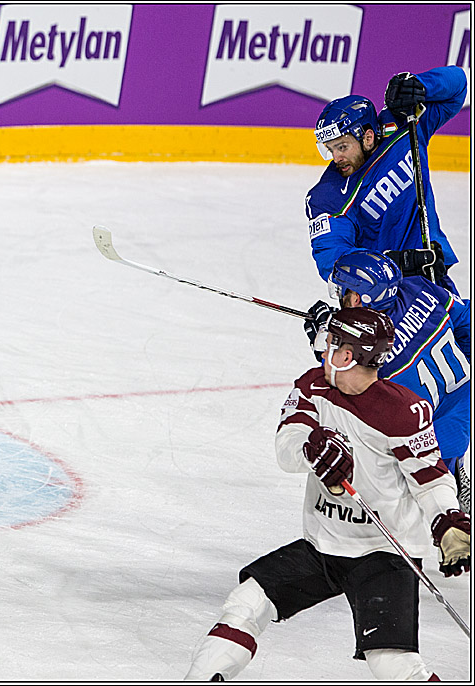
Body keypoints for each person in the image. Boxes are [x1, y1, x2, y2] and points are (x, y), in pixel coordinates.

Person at [185, 307, 470, 681]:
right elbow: (286, 448)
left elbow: (430, 478)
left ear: (347, 354)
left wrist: (448, 525)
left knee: (391, 662)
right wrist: (310, 448)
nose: (322, 352)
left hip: (382, 554)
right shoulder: (312, 386)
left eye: (331, 344)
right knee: (247, 603)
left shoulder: (403, 410)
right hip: (321, 547)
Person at [304, 251, 471, 513]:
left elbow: (347, 392)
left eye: (344, 292)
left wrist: (324, 345)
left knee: (427, 508)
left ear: (358, 297)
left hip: (428, 437)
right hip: (463, 408)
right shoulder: (419, 287)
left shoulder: (371, 345)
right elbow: (466, 320)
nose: (340, 298)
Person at [305, 66, 467, 294]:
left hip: (435, 279)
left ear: (368, 137)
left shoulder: (405, 127)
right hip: (385, 297)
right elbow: (334, 262)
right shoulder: (327, 196)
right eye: (330, 150)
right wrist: (397, 263)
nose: (336, 158)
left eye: (342, 147)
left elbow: (458, 84)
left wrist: (422, 86)